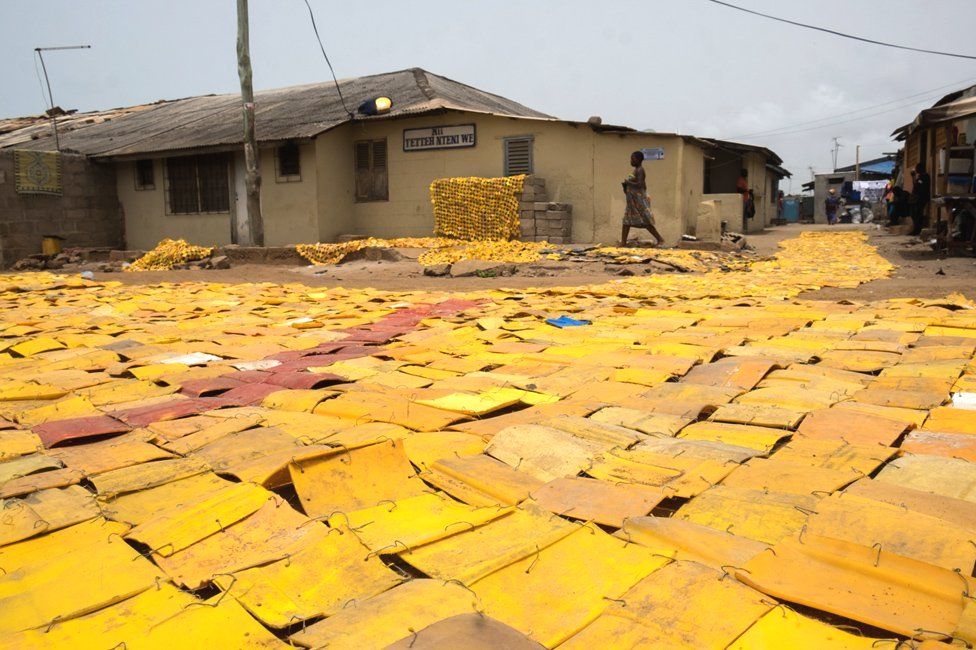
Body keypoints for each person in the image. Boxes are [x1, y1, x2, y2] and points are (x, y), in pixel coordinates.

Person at [621, 151, 664, 246]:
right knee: (626, 220)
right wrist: (625, 186)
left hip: (639, 200)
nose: (631, 161)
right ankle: (623, 242)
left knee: (645, 221)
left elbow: (640, 185)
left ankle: (660, 239)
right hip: (633, 201)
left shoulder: (640, 170)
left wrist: (628, 183)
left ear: (639, 160)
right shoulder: (635, 170)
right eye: (631, 159)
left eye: (633, 159)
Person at [910, 163, 931, 236]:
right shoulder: (920, 177)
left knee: (918, 214)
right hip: (917, 198)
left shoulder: (925, 176)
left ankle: (917, 230)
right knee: (914, 214)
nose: (916, 170)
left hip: (921, 198)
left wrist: (914, 177)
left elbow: (920, 187)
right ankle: (916, 229)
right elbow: (915, 185)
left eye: (917, 168)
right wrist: (913, 177)